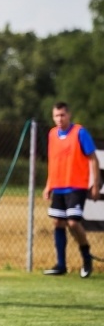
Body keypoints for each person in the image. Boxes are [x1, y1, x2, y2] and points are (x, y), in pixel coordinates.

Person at [42, 102, 100, 278]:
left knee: (73, 222)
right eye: (56, 116)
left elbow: (93, 158)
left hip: (77, 186)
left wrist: (95, 183)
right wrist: (48, 185)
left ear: (69, 115)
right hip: (58, 186)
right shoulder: (52, 134)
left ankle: (86, 256)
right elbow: (53, 161)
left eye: (62, 115)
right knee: (58, 223)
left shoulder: (80, 132)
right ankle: (61, 265)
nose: (59, 119)